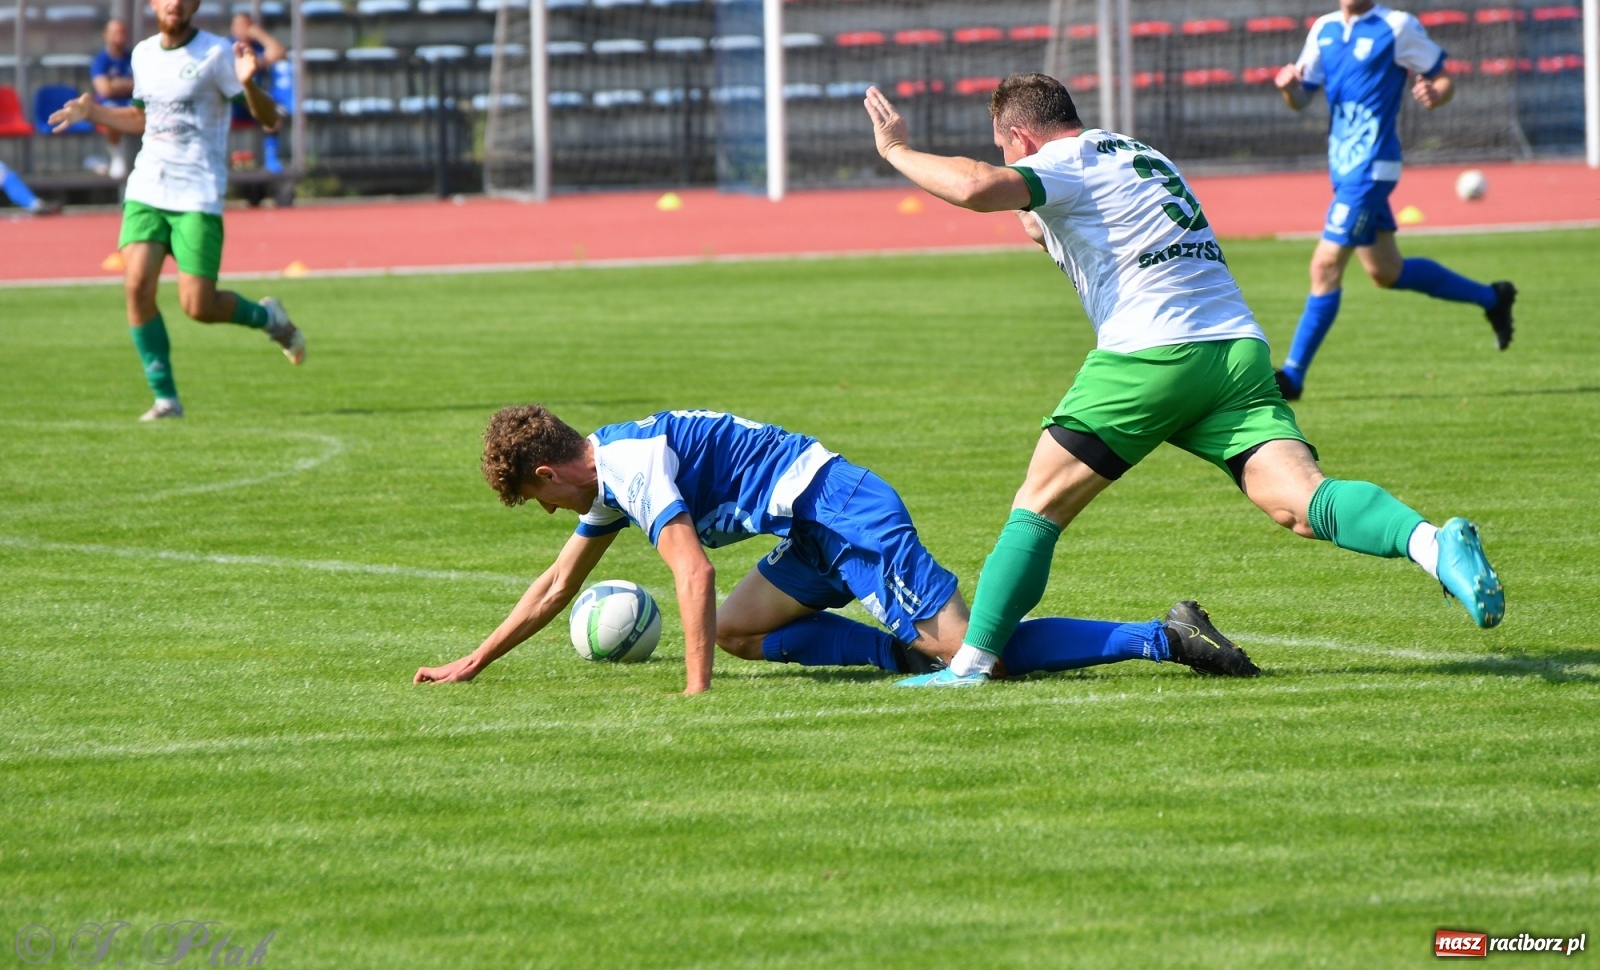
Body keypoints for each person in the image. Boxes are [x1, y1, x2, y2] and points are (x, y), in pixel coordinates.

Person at [860, 72, 1504, 688]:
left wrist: (896, 149)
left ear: (1022, 139)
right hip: (1235, 353)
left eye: (1007, 150)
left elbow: (976, 188)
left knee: (1039, 506)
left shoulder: (1067, 160)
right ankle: (1431, 542)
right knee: (1301, 500)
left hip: (1151, 354)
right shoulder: (1137, 153)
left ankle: (970, 667)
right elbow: (1047, 219)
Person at [414, 405, 1262, 695]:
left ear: (550, 469)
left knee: (979, 660)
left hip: (843, 512)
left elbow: (693, 570)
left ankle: (1163, 635)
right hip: (809, 527)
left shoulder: (629, 466)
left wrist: (695, 689)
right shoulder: (609, 475)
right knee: (747, 626)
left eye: (537, 497)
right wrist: (473, 661)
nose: (549, 511)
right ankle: (903, 654)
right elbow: (555, 585)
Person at [49, 0, 305, 422]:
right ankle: (165, 398)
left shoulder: (216, 54)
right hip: (148, 187)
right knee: (136, 285)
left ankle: (271, 319)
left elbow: (270, 120)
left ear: (196, 4)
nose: (175, 2)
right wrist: (95, 112)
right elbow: (143, 118)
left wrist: (248, 84)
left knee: (198, 306)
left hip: (197, 194)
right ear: (154, 1)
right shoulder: (144, 54)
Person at [1271, 0, 1515, 400]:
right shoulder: (1322, 30)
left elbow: (1443, 79)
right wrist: (1287, 86)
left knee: (1324, 265)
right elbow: (1302, 100)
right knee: (1387, 272)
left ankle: (1293, 376)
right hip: (1341, 165)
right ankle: (1493, 297)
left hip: (1373, 165)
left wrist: (1434, 94)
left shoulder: (1397, 26)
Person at [229, 12, 287, 175]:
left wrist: (260, 34)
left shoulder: (257, 48)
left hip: (256, 100)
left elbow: (279, 53)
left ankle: (271, 160)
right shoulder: (228, 46)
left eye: (248, 26)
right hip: (234, 101)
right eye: (240, 25)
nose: (244, 29)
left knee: (273, 117)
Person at [91, 17, 135, 179]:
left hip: (131, 103)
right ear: (106, 35)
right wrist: (128, 84)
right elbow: (105, 90)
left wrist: (117, 84)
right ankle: (117, 157)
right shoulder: (101, 60)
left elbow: (144, 84)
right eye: (115, 32)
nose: (119, 36)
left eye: (122, 32)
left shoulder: (133, 58)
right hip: (109, 106)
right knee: (111, 113)